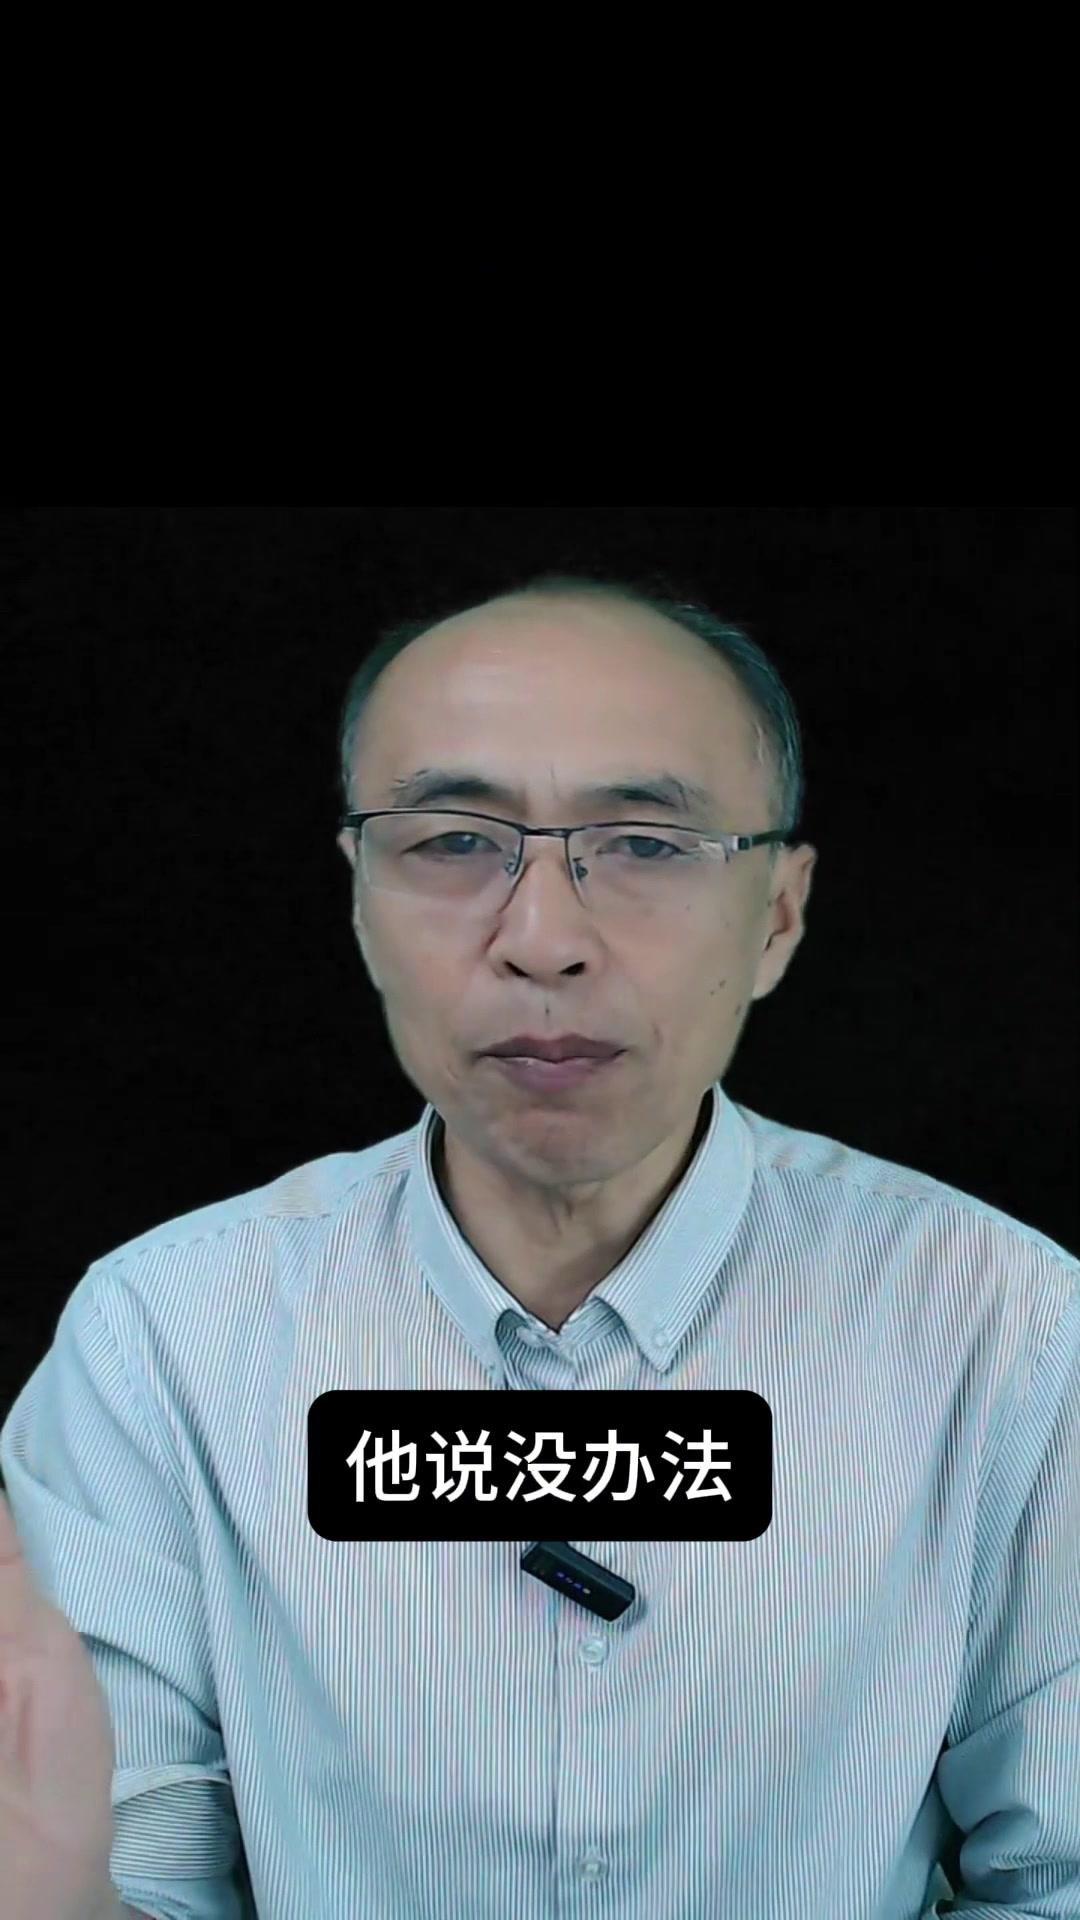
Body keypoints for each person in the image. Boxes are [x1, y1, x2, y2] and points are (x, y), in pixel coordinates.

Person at [2, 572, 1078, 1920]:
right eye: (454, 842)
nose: (546, 943)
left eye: (647, 845)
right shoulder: (162, 1335)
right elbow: (126, 1879)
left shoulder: (1010, 1326)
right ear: (359, 898)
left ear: (779, 916)